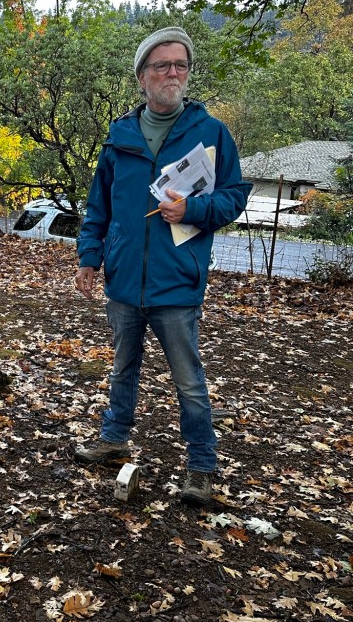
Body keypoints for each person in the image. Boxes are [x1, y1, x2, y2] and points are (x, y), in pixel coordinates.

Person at [74, 26, 251, 506]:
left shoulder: (211, 133)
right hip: (125, 280)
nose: (173, 73)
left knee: (189, 380)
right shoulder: (119, 137)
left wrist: (192, 211)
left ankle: (201, 467)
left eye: (180, 65)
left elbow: (235, 196)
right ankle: (114, 439)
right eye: (161, 65)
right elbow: (99, 207)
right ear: (142, 77)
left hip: (177, 282)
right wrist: (90, 256)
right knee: (122, 368)